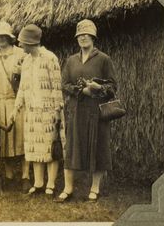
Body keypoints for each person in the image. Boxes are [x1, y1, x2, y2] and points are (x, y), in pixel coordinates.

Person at [55, 19, 117, 203]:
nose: (83, 37)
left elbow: (113, 86)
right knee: (72, 148)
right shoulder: (71, 61)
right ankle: (68, 188)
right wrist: (82, 90)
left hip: (96, 112)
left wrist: (98, 88)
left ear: (93, 36)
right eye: (79, 35)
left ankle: (94, 188)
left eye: (86, 34)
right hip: (77, 110)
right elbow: (64, 84)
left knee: (98, 148)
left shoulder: (104, 59)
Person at [11, 24, 65, 198]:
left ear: (30, 42)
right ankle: (38, 183)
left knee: (50, 148)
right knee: (34, 148)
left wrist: (57, 111)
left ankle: (51, 184)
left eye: (22, 42)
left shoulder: (50, 58)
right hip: (31, 111)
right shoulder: (26, 61)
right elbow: (23, 88)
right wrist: (16, 108)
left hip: (49, 110)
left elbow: (57, 86)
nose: (20, 46)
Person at [0, 21, 31, 193]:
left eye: (4, 36)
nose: (1, 39)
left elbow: (26, 78)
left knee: (21, 138)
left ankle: (26, 176)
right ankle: (9, 175)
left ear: (10, 37)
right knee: (4, 142)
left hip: (17, 102)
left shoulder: (20, 53)